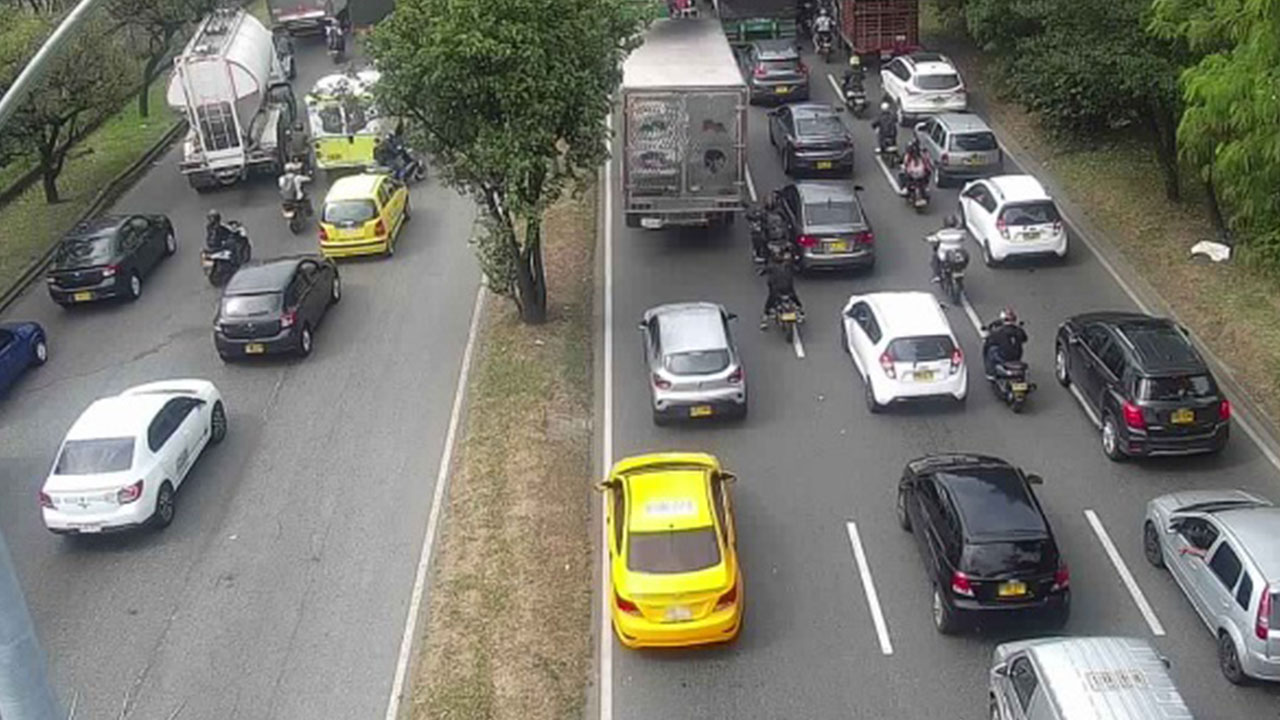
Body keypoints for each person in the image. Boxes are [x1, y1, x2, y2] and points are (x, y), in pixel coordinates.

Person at [759, 251, 802, 330]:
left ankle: (764, 319)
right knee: (795, 300)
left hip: (776, 290)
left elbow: (762, 271)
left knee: (770, 302)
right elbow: (797, 269)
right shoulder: (788, 264)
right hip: (788, 289)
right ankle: (801, 313)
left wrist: (761, 272)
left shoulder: (771, 266)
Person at [983, 307, 1028, 379]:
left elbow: (990, 342)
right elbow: (1024, 339)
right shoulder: (1019, 330)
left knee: (991, 350)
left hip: (1004, 357)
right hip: (1017, 356)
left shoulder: (999, 332)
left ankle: (990, 373)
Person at [925, 215, 966, 283]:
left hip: (944, 253)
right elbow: (963, 238)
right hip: (957, 253)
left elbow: (933, 238)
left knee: (935, 258)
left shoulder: (941, 233)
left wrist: (927, 239)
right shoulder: (960, 232)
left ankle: (937, 275)